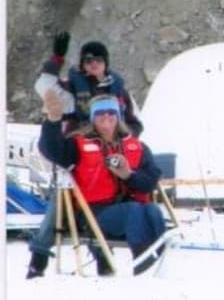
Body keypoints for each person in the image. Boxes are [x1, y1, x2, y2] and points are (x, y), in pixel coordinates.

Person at [26, 32, 144, 279]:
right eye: (88, 60)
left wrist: (121, 135)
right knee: (61, 206)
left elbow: (135, 124)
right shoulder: (71, 88)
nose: (93, 64)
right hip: (78, 155)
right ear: (82, 64)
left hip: (110, 156)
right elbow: (44, 86)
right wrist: (56, 58)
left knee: (104, 203)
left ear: (105, 62)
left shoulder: (120, 90)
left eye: (98, 59)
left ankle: (105, 259)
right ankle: (37, 262)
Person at [36, 93, 168, 276]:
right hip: (92, 214)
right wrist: (53, 121)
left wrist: (128, 175)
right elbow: (50, 149)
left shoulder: (138, 147)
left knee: (152, 211)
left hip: (129, 210)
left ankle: (161, 264)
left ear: (118, 116)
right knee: (135, 211)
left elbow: (150, 182)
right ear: (92, 118)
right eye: (100, 114)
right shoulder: (77, 145)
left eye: (111, 112)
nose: (106, 117)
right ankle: (143, 267)